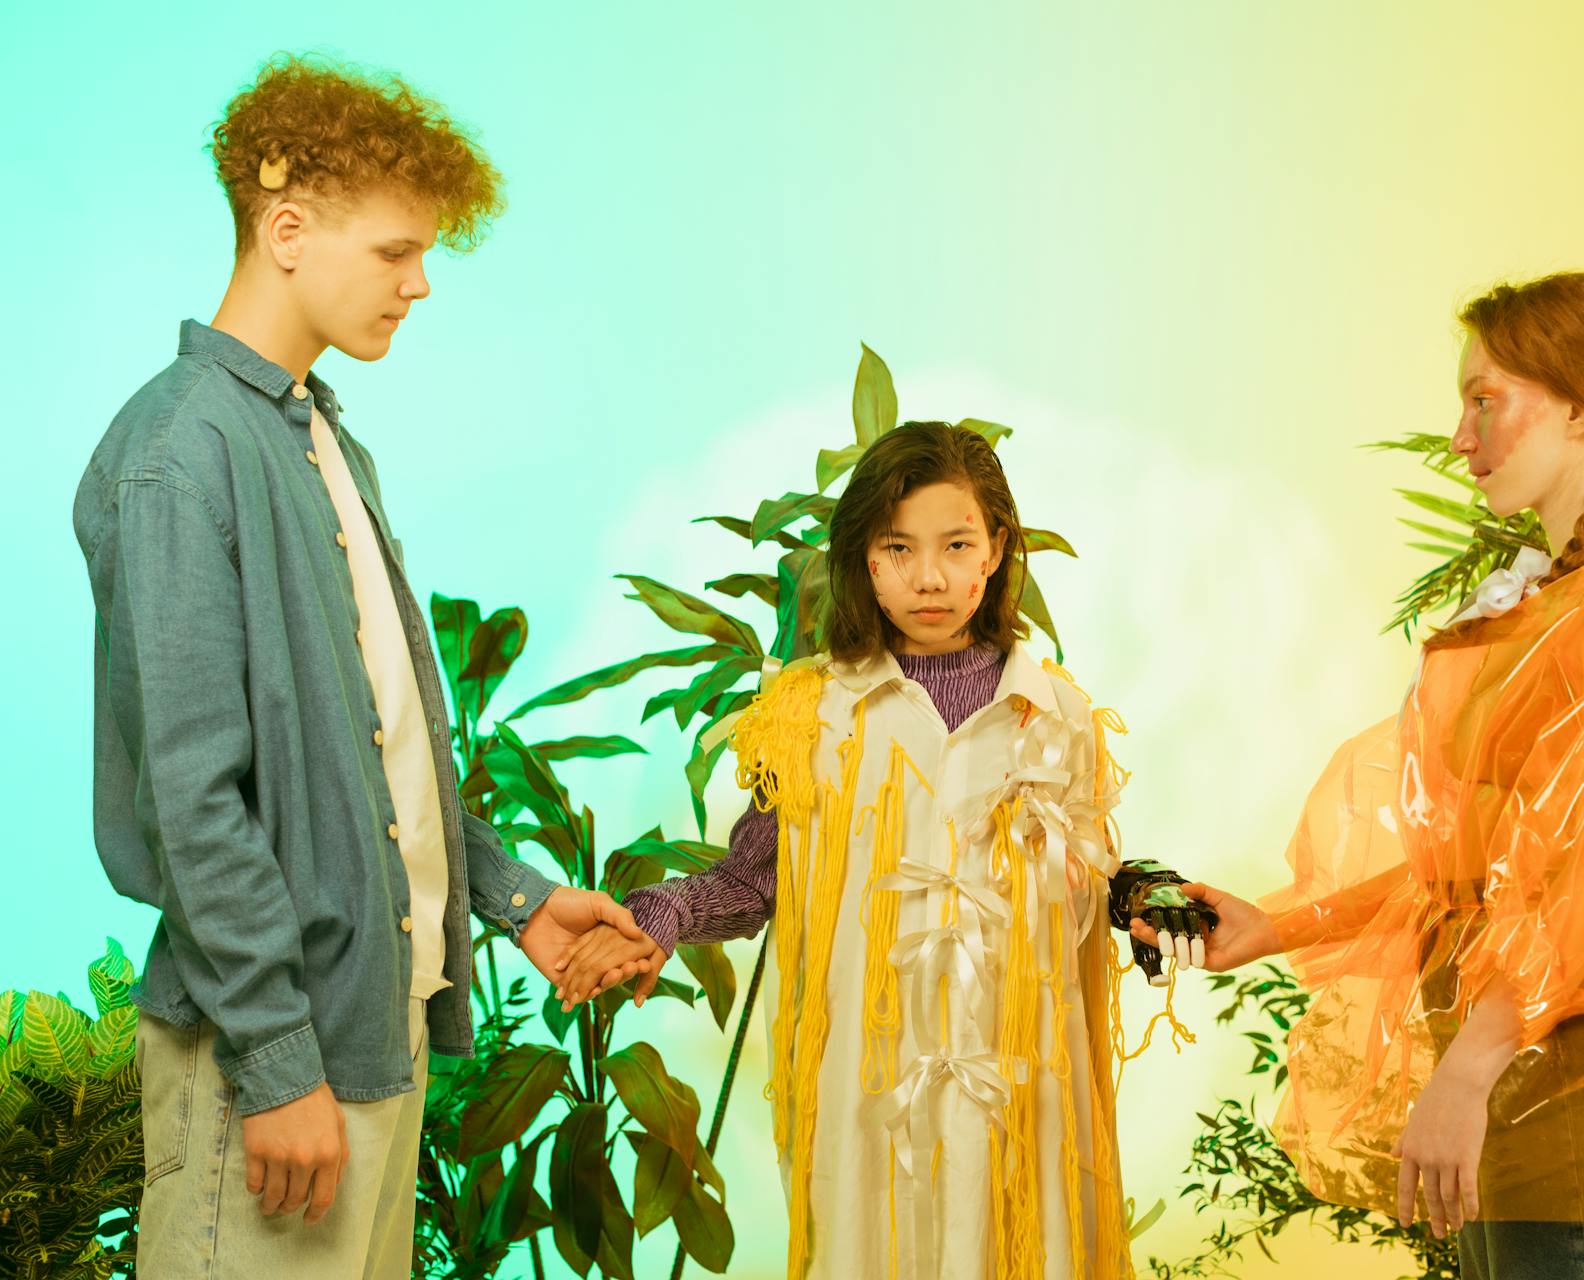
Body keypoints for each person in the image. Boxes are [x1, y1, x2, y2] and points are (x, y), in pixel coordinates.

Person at [1140, 273, 1584, 1279]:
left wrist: (1469, 1067)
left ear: (1580, 404)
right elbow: (1489, 877)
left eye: (1486, 400)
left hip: (1577, 1098)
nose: (1461, 438)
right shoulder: (1563, 602)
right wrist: (1278, 924)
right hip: (1525, 1093)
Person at [72, 54, 656, 1276]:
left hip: (368, 1036)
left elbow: (370, 753)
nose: (422, 282)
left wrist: (516, 898)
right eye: (395, 251)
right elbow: (191, 802)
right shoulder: (182, 454)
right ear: (286, 231)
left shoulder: (321, 437)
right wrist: (280, 1059)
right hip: (271, 1068)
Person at [557, 421, 1178, 1279]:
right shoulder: (814, 712)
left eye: (957, 544)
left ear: (996, 549)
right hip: (869, 1089)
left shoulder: (1057, 714)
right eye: (899, 547)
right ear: (865, 559)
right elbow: (753, 876)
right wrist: (662, 914)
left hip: (1023, 1087)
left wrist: (1145, 899)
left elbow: (1090, 871)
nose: (931, 576)